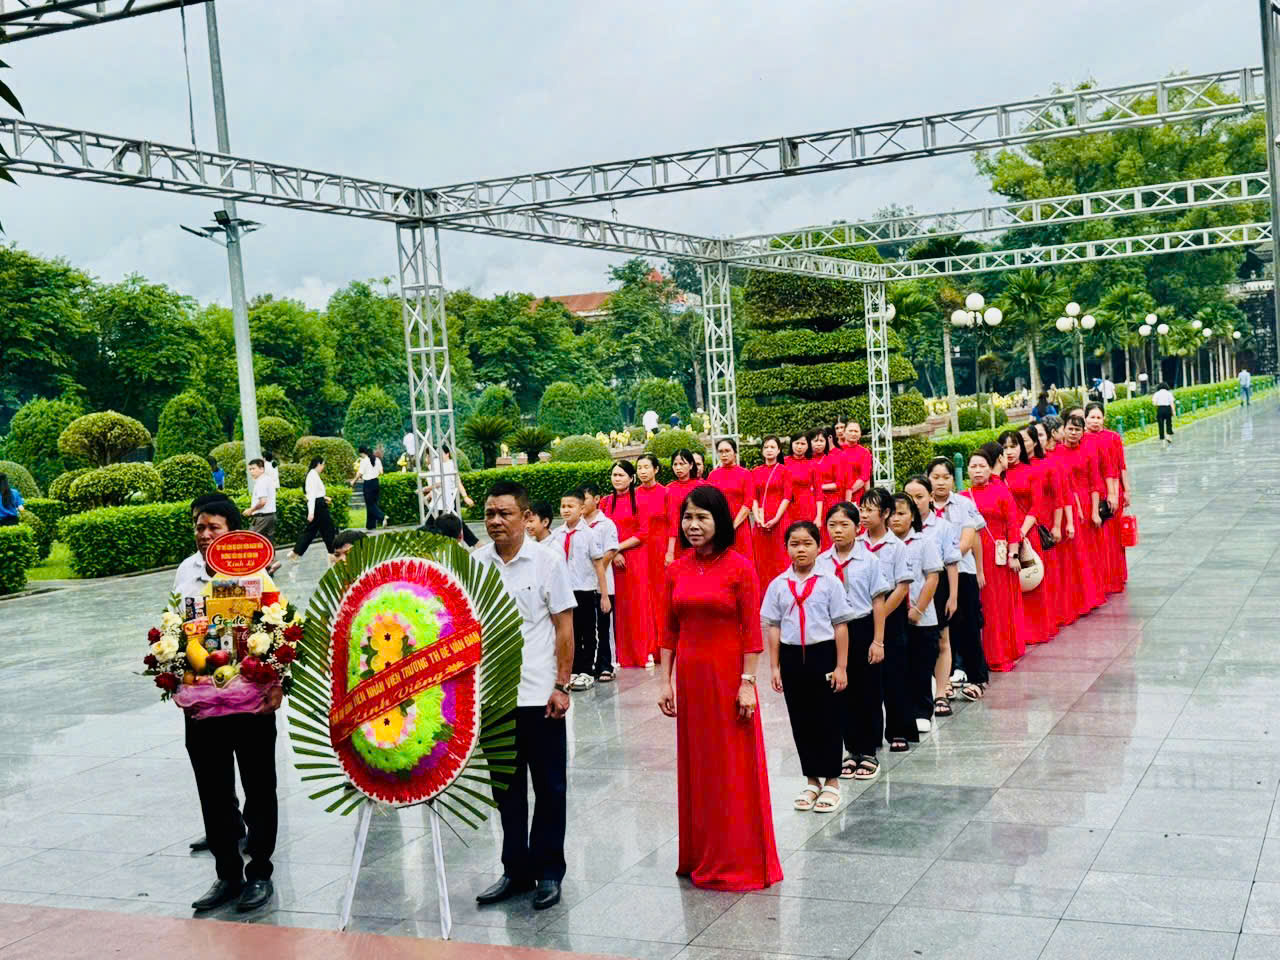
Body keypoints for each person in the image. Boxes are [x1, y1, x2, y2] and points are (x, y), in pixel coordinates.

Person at [656, 485, 783, 890]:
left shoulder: (740, 568)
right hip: (692, 681)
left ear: (720, 522)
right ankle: (700, 853)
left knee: (731, 766)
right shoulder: (675, 569)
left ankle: (737, 857)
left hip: (728, 677)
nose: (692, 526)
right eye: (687, 518)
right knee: (700, 766)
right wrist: (664, 681)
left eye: (701, 518)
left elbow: (752, 634)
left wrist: (748, 684)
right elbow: (668, 630)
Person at [473, 482, 574, 911]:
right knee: (506, 791)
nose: (496, 521)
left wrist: (562, 685)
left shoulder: (548, 562)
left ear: (525, 516)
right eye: (490, 513)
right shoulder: (476, 564)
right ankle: (515, 870)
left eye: (505, 514)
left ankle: (549, 871)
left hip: (540, 694)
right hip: (495, 698)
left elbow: (564, 627)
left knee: (549, 787)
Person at [176, 498, 280, 913]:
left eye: (214, 527)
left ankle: (260, 874)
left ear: (233, 532)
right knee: (214, 792)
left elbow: (279, 631)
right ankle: (227, 875)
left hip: (250, 706)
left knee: (259, 790)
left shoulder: (257, 576)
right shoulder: (187, 571)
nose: (205, 535)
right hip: (202, 706)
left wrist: (277, 685)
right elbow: (177, 628)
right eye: (200, 527)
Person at [762, 521, 852, 814]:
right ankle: (811, 779)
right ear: (786, 547)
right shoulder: (778, 585)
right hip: (791, 657)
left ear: (818, 546)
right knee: (801, 719)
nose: (801, 549)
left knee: (828, 717)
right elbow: (773, 627)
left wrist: (841, 666)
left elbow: (840, 625)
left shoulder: (829, 582)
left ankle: (832, 780)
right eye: (794, 544)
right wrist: (774, 666)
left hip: (822, 654)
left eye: (807, 544)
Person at [817, 501, 888, 781]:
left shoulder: (868, 559)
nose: (837, 530)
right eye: (832, 525)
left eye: (844, 524)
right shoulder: (821, 561)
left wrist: (878, 640)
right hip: (833, 631)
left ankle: (867, 750)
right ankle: (851, 750)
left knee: (867, 690)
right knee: (840, 689)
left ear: (857, 528)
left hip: (862, 627)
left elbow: (878, 600)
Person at [927, 457, 988, 701]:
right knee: (941, 630)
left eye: (946, 477)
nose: (941, 482)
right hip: (932, 577)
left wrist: (979, 569)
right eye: (935, 477)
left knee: (969, 625)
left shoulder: (964, 504)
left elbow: (970, 539)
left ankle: (977, 678)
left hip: (963, 571)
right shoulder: (921, 504)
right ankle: (945, 681)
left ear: (954, 479)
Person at [859, 487, 914, 752]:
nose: (864, 515)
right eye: (862, 509)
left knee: (895, 676)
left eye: (870, 510)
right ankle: (869, 733)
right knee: (868, 680)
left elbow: (902, 587)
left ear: (886, 513)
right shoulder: (857, 544)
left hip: (891, 617)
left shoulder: (897, 546)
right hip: (862, 615)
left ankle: (898, 731)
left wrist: (878, 614)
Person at [963, 447, 1028, 673]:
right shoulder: (962, 497)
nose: (978, 470)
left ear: (991, 468)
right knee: (975, 607)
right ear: (967, 471)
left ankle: (999, 654)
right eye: (973, 466)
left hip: (997, 557)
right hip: (970, 557)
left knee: (995, 607)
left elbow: (1012, 525)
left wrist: (1013, 554)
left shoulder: (1001, 492)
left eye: (982, 466)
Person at [903, 475, 959, 723]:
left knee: (942, 640)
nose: (915, 502)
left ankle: (940, 694)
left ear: (930, 497)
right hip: (909, 591)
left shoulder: (942, 527)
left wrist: (954, 596)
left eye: (920, 497)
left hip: (938, 585)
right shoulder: (898, 527)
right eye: (910, 497)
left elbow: (951, 563)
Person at [888, 493, 942, 737]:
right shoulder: (884, 546)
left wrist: (918, 609)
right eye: (892, 513)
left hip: (922, 617)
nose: (896, 518)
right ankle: (902, 715)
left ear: (912, 517)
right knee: (899, 669)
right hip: (893, 618)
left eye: (902, 513)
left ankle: (922, 711)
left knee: (921, 666)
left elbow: (932, 577)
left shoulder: (923, 542)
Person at [551, 489, 609, 692]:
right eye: (563, 506)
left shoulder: (590, 535)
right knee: (569, 631)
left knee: (587, 631)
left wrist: (604, 595)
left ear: (581, 509)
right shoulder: (556, 535)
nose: (566, 510)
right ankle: (573, 669)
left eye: (570, 506)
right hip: (564, 592)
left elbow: (599, 565)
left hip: (584, 590)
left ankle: (587, 670)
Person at [602, 461, 655, 669]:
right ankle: (621, 655)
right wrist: (614, 554)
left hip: (636, 557)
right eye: (614, 475)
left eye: (621, 475)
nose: (617, 479)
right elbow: (602, 532)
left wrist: (617, 548)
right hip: (613, 560)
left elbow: (643, 533)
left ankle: (643, 652)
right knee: (620, 607)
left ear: (631, 478)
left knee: (638, 604)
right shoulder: (606, 503)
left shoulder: (640, 500)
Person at [999, 430, 1050, 646]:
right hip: (1003, 537)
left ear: (1022, 448)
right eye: (1005, 447)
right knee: (1009, 586)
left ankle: (1036, 631)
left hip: (1026, 533)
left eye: (1014, 446)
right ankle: (1015, 633)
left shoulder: (1031, 471)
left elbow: (1037, 505)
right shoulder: (996, 476)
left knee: (1031, 579)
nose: (1009, 451)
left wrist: (1020, 531)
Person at [1084, 402, 1129, 596]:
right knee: (1097, 539)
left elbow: (1121, 465)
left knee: (1113, 538)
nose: (1095, 421)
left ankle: (1116, 576)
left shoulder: (1113, 438)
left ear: (1104, 419)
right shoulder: (1082, 439)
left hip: (1113, 490)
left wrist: (1126, 490)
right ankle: (1101, 578)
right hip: (1091, 492)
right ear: (1085, 418)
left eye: (1098, 417)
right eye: (1091, 417)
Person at [582, 484, 619, 681]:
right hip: (581, 586)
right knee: (586, 627)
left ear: (596, 499)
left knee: (603, 626)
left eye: (585, 499)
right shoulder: (576, 525)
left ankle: (605, 664)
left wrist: (595, 570)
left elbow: (611, 551)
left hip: (603, 584)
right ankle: (585, 666)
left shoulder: (606, 524)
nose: (581, 504)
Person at [705, 438, 757, 575]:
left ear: (735, 453)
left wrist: (733, 525)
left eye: (727, 451)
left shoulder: (745, 474)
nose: (724, 454)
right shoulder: (712, 475)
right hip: (718, 528)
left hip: (739, 527)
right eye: (720, 451)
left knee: (743, 565)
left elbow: (748, 502)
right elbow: (709, 502)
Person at [635, 454, 669, 656]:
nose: (642, 471)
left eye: (646, 467)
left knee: (661, 595)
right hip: (639, 550)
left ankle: (663, 645)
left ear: (656, 469)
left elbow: (673, 523)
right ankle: (646, 645)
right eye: (639, 468)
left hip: (660, 548)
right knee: (643, 596)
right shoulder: (633, 495)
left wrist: (670, 551)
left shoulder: (666, 492)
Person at [751, 436, 793, 584]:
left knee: (780, 557)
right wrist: (757, 517)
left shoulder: (784, 470)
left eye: (772, 447)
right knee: (761, 559)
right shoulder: (755, 472)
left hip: (779, 519)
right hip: (761, 521)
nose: (769, 450)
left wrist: (776, 518)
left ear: (778, 450)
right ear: (762, 451)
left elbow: (787, 497)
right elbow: (753, 497)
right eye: (766, 447)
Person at [286, 457, 336, 567]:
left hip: (319, 504)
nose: (323, 467)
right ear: (318, 464)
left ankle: (295, 552)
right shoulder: (312, 475)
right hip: (318, 508)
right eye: (323, 465)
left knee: (311, 531)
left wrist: (324, 498)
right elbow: (311, 496)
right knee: (328, 530)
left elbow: (316, 494)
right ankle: (332, 553)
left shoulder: (313, 475)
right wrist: (311, 512)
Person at [664, 449, 704, 566]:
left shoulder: (702, 487)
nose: (678, 468)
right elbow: (673, 520)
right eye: (675, 464)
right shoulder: (669, 489)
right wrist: (670, 551)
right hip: (679, 541)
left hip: (701, 536)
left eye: (682, 464)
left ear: (691, 465)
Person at [811, 428, 843, 551]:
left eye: (821, 441)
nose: (818, 444)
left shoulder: (833, 458)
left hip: (830, 501)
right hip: (811, 502)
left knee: (828, 533)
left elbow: (838, 484)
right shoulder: (808, 460)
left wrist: (818, 487)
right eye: (815, 441)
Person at [783, 432, 819, 529]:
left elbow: (818, 492)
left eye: (803, 444)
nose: (799, 447)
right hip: (786, 506)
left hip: (806, 505)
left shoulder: (813, 464)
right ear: (791, 444)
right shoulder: (783, 462)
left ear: (808, 446)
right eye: (797, 443)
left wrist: (819, 516)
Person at [352, 446, 385, 531]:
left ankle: (383, 517)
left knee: (370, 505)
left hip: (368, 484)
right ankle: (370, 525)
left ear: (362, 453)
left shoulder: (364, 461)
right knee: (373, 503)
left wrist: (353, 481)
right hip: (376, 483)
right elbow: (381, 472)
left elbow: (359, 473)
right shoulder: (377, 460)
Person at [243, 459, 277, 540]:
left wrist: (250, 510)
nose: (251, 471)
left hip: (262, 518)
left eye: (253, 469)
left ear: (262, 469)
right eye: (250, 469)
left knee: (250, 540)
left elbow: (262, 501)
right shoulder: (268, 479)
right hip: (271, 516)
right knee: (267, 543)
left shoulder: (261, 482)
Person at [841, 421, 872, 504]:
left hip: (857, 495)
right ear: (844, 433)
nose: (853, 434)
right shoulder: (837, 451)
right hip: (837, 494)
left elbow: (864, 477)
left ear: (860, 434)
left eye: (856, 431)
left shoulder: (865, 452)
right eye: (850, 431)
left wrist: (848, 493)